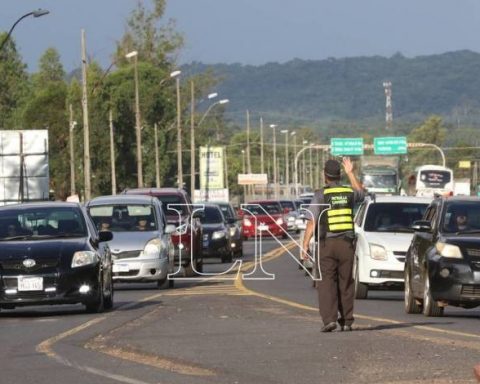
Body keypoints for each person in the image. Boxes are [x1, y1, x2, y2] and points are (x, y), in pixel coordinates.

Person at [302, 157, 365, 332]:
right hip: (346, 245)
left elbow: (312, 221)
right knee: (346, 282)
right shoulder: (348, 192)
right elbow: (361, 193)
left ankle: (329, 319)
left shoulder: (320, 194)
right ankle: (346, 321)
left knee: (326, 282)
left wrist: (305, 244)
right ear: (339, 175)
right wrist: (351, 173)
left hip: (327, 244)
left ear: (325, 176)